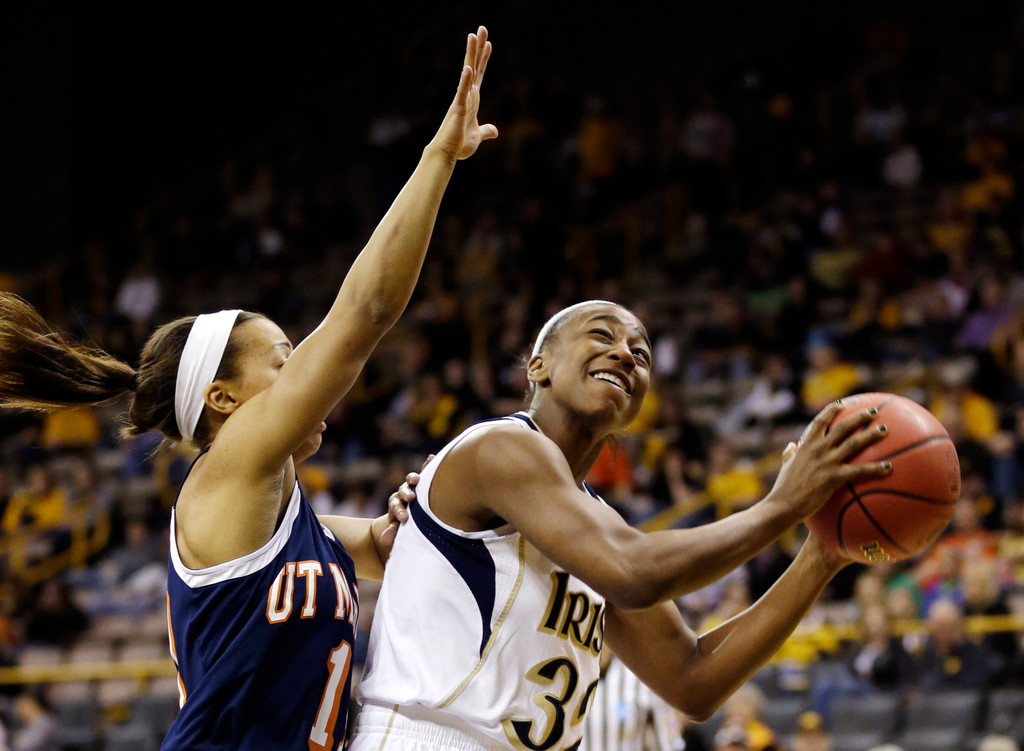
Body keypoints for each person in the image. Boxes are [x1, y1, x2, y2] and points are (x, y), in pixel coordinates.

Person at [0, 26, 497, 751]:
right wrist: (437, 158)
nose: (302, 374)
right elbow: (365, 314)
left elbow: (391, 549)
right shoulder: (227, 472)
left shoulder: (294, 522)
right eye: (283, 360)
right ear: (223, 400)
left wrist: (410, 519)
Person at [349, 300, 891, 751]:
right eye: (601, 335)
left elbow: (693, 680)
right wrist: (783, 506)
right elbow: (634, 572)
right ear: (538, 365)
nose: (624, 353)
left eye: (641, 352)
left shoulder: (595, 526)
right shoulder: (502, 447)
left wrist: (820, 557)